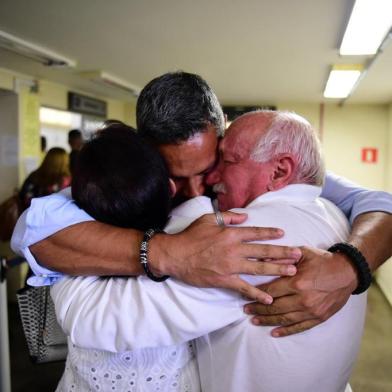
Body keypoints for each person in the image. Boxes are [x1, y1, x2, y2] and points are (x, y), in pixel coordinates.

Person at [11, 71, 392, 337]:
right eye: (175, 177)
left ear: (223, 129)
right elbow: (35, 227)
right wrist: (169, 253)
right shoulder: (129, 179)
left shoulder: (268, 166)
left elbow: (380, 204)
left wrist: (349, 267)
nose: (196, 192)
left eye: (210, 168)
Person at [51, 111, 366, 392]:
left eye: (227, 162)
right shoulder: (332, 210)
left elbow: (97, 319)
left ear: (279, 171)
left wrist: (59, 265)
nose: (212, 178)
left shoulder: (251, 236)